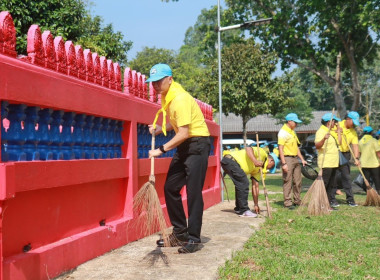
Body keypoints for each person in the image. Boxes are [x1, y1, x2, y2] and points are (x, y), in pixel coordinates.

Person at [147, 63, 211, 254]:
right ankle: (180, 232)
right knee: (171, 187)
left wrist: (161, 149)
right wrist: (161, 128)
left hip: (197, 144)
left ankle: (193, 238)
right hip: (185, 146)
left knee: (193, 192)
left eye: (159, 81)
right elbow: (177, 122)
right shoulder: (168, 96)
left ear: (170, 79)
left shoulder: (180, 98)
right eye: (153, 82)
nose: (155, 86)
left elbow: (184, 132)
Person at [221, 146, 279, 216]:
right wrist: (255, 161)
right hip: (230, 160)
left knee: (241, 183)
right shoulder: (262, 153)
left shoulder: (258, 170)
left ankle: (239, 208)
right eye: (272, 166)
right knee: (244, 182)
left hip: (233, 164)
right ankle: (244, 210)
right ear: (271, 161)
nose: (269, 169)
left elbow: (255, 186)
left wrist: (256, 204)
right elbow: (248, 148)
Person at [278, 113, 307, 209]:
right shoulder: (283, 132)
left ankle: (297, 200)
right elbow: (280, 149)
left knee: (298, 181)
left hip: (295, 158)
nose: (297, 124)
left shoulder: (292, 132)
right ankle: (287, 203)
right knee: (287, 181)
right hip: (287, 159)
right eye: (295, 122)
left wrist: (302, 159)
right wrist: (284, 163)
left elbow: (296, 147)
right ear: (289, 121)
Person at [332, 111, 361, 207]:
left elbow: (355, 145)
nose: (354, 125)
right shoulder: (337, 125)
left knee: (346, 177)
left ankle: (350, 200)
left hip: (345, 155)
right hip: (335, 153)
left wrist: (356, 158)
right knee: (334, 176)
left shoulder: (353, 131)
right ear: (348, 119)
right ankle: (332, 199)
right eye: (353, 122)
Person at [315, 113, 342, 210]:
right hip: (326, 163)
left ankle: (327, 204)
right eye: (334, 121)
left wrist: (339, 131)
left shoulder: (331, 131)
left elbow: (340, 142)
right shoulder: (321, 131)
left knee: (331, 185)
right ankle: (320, 204)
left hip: (333, 162)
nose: (335, 123)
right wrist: (324, 138)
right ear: (329, 122)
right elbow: (317, 146)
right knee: (325, 184)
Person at [358, 126, 380, 194]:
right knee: (377, 179)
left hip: (364, 164)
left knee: (366, 180)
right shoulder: (374, 140)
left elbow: (360, 153)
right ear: (371, 132)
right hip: (374, 164)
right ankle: (378, 192)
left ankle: (368, 192)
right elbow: (378, 152)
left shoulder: (360, 141)